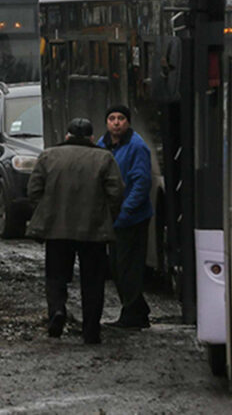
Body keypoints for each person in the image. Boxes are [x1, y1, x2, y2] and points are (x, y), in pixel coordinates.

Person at [26, 117, 124, 344]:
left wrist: (48, 212)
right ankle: (91, 331)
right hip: (93, 230)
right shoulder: (104, 157)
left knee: (56, 276)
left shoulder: (49, 156)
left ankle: (58, 310)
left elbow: (33, 191)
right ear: (92, 138)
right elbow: (116, 193)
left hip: (57, 229)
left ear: (67, 136)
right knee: (93, 281)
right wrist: (106, 216)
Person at [99, 104, 153, 330]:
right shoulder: (102, 145)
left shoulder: (136, 146)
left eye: (121, 118)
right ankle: (138, 310)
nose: (116, 122)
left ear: (128, 122)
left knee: (127, 267)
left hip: (132, 218)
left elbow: (141, 182)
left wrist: (127, 210)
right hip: (114, 217)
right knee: (117, 266)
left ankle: (132, 314)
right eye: (112, 118)